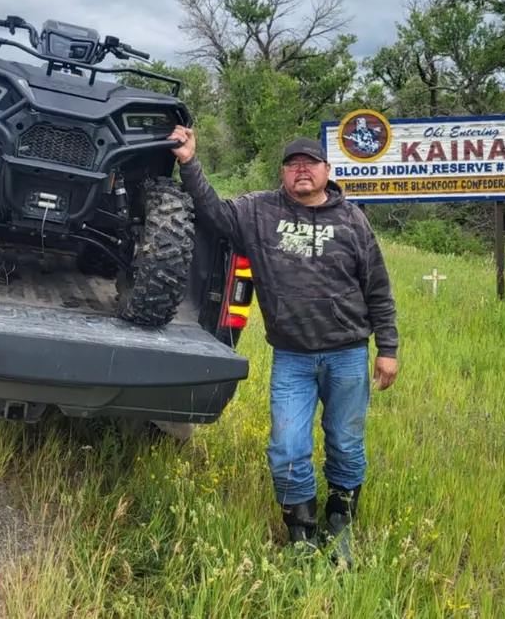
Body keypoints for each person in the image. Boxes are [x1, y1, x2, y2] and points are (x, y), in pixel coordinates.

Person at [168, 126, 399, 567]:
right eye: (293, 165)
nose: (302, 171)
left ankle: (340, 522)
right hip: (291, 356)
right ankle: (301, 534)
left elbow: (379, 290)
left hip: (348, 352)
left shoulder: (352, 220)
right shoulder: (258, 211)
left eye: (310, 164)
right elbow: (212, 212)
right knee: (287, 447)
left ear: (327, 171)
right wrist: (188, 161)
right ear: (283, 173)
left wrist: (386, 348)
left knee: (345, 443)